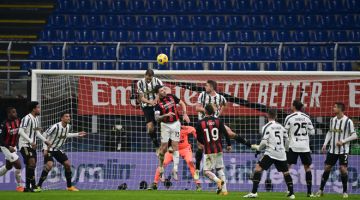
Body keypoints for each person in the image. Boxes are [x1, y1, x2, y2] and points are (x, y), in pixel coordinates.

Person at [194, 80, 251, 180]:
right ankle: (197, 170)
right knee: (200, 146)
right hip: (203, 123)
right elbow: (197, 108)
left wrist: (218, 114)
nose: (205, 87)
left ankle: (250, 145)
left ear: (211, 87)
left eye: (206, 86)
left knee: (229, 133)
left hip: (215, 122)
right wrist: (208, 109)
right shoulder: (202, 95)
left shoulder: (220, 97)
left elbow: (225, 104)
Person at [244, 109, 295, 199]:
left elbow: (263, 142)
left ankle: (254, 192)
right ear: (276, 116)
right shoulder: (281, 127)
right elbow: (287, 140)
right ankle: (291, 194)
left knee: (258, 169)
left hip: (271, 153)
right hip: (281, 153)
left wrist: (258, 148)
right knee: (286, 172)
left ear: (267, 115)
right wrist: (286, 150)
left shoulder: (266, 127)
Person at [316, 102, 358, 199]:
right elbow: (330, 132)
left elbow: (355, 135)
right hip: (332, 150)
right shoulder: (332, 120)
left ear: (340, 109)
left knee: (343, 169)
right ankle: (320, 190)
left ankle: (345, 192)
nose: (333, 108)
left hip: (343, 150)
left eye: (335, 107)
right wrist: (325, 144)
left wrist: (343, 141)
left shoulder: (348, 121)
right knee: (327, 168)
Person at [36, 111, 87, 191]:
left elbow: (66, 135)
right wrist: (45, 149)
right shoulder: (55, 127)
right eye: (66, 116)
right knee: (49, 165)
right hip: (49, 148)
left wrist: (77, 134)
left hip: (57, 149)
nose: (68, 118)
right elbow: (44, 136)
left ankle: (69, 187)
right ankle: (38, 186)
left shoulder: (68, 127)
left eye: (69, 116)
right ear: (62, 118)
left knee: (67, 164)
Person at [154, 85, 190, 181]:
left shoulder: (171, 96)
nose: (164, 91)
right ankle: (161, 169)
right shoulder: (158, 105)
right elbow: (157, 118)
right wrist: (166, 115)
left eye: (164, 89)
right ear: (158, 93)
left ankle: (175, 170)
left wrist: (185, 113)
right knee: (163, 149)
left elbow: (182, 103)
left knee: (175, 146)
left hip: (176, 124)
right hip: (165, 125)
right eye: (161, 90)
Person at [150, 125, 201, 191]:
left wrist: (197, 137)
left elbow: (193, 129)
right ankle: (155, 184)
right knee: (163, 163)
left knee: (190, 162)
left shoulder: (185, 128)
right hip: (173, 150)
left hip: (185, 149)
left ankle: (198, 184)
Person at [196, 104, 231, 195]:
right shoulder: (218, 121)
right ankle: (224, 191)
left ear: (205, 111)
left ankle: (217, 181)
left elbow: (198, 138)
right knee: (219, 169)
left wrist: (204, 143)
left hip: (209, 150)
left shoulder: (200, 123)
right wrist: (229, 144)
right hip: (219, 148)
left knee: (206, 172)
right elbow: (226, 133)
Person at [284, 100, 315, 197]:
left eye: (291, 105)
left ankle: (290, 191)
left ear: (293, 106)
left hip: (293, 145)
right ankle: (309, 192)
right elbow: (312, 132)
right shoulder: (307, 117)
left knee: (287, 168)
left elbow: (285, 132)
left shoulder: (289, 117)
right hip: (305, 146)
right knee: (307, 168)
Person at [18, 101, 51, 192]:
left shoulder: (36, 119)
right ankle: (33, 186)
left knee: (31, 165)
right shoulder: (26, 118)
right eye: (38, 107)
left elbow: (36, 133)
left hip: (32, 146)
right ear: (33, 109)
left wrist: (45, 141)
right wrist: (31, 141)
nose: (39, 109)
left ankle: (27, 188)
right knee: (32, 163)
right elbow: (20, 131)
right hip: (24, 144)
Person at [137, 68, 163, 151]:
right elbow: (141, 97)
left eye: (150, 79)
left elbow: (161, 93)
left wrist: (155, 100)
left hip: (157, 105)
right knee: (150, 127)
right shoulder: (140, 83)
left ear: (153, 77)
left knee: (163, 124)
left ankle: (167, 144)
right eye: (147, 78)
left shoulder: (158, 81)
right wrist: (150, 102)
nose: (148, 80)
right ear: (145, 75)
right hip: (146, 106)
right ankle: (157, 146)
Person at [0, 107, 24, 192]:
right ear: (9, 114)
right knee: (18, 165)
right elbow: (1, 140)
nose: (16, 113)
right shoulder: (4, 124)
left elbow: (23, 130)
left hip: (13, 147)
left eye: (15, 112)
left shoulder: (18, 121)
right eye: (13, 112)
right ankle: (19, 186)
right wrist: (8, 147)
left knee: (8, 166)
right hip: (6, 147)